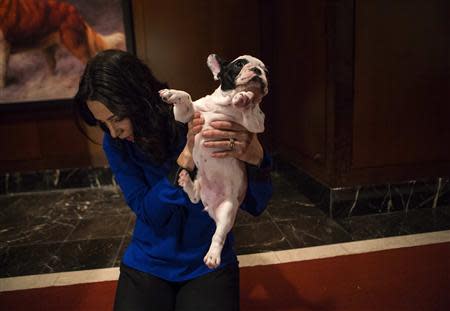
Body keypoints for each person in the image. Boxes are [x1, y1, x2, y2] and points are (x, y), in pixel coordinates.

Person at [74, 49, 272, 311]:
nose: (114, 132)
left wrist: (256, 157)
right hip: (149, 258)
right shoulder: (116, 144)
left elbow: (256, 204)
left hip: (207, 258)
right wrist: (185, 160)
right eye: (103, 124)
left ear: (137, 100)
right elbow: (148, 212)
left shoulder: (191, 116)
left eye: (116, 119)